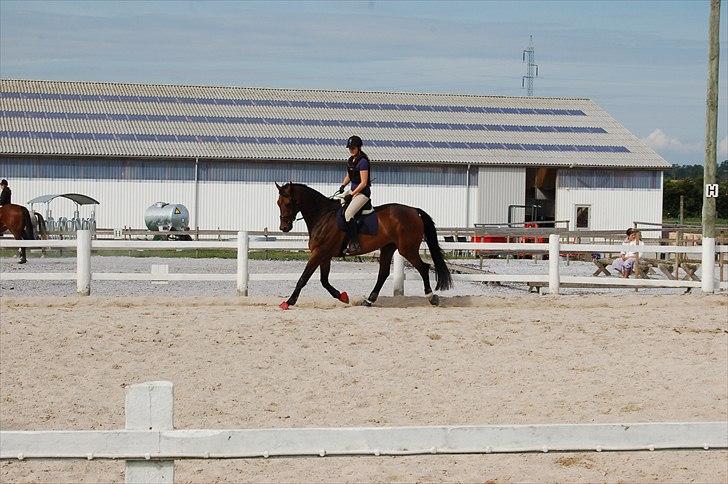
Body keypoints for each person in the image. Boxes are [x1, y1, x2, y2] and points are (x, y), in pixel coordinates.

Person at [335, 135, 371, 254]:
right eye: (350, 148)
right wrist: (342, 186)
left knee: (349, 213)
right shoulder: (351, 160)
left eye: (353, 148)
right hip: (352, 190)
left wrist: (352, 194)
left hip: (362, 193)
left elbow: (364, 182)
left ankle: (355, 243)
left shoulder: (363, 162)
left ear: (359, 147)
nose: (351, 150)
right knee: (337, 204)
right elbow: (349, 176)